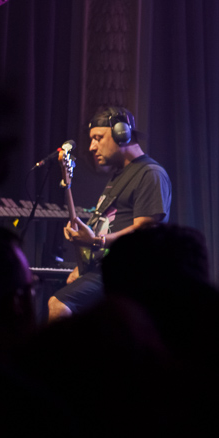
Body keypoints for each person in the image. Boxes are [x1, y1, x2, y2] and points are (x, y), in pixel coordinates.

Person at [48, 106, 172, 321]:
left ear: (121, 134)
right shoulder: (120, 176)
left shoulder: (150, 173)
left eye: (98, 138)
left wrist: (96, 240)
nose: (91, 147)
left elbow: (146, 232)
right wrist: (83, 264)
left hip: (127, 275)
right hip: (104, 270)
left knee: (57, 305)